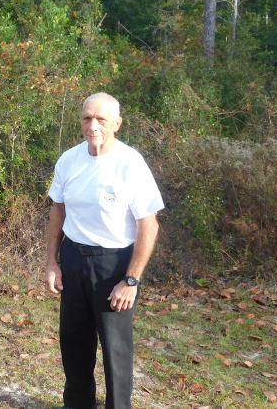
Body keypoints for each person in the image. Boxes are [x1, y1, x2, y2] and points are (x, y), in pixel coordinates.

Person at [45, 93, 164, 409]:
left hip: (113, 265)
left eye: (100, 119)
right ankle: (78, 404)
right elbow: (58, 211)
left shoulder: (130, 163)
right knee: (73, 341)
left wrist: (131, 280)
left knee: (115, 348)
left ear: (117, 124)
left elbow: (149, 225)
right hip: (73, 259)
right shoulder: (69, 160)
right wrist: (52, 263)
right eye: (87, 118)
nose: (92, 125)